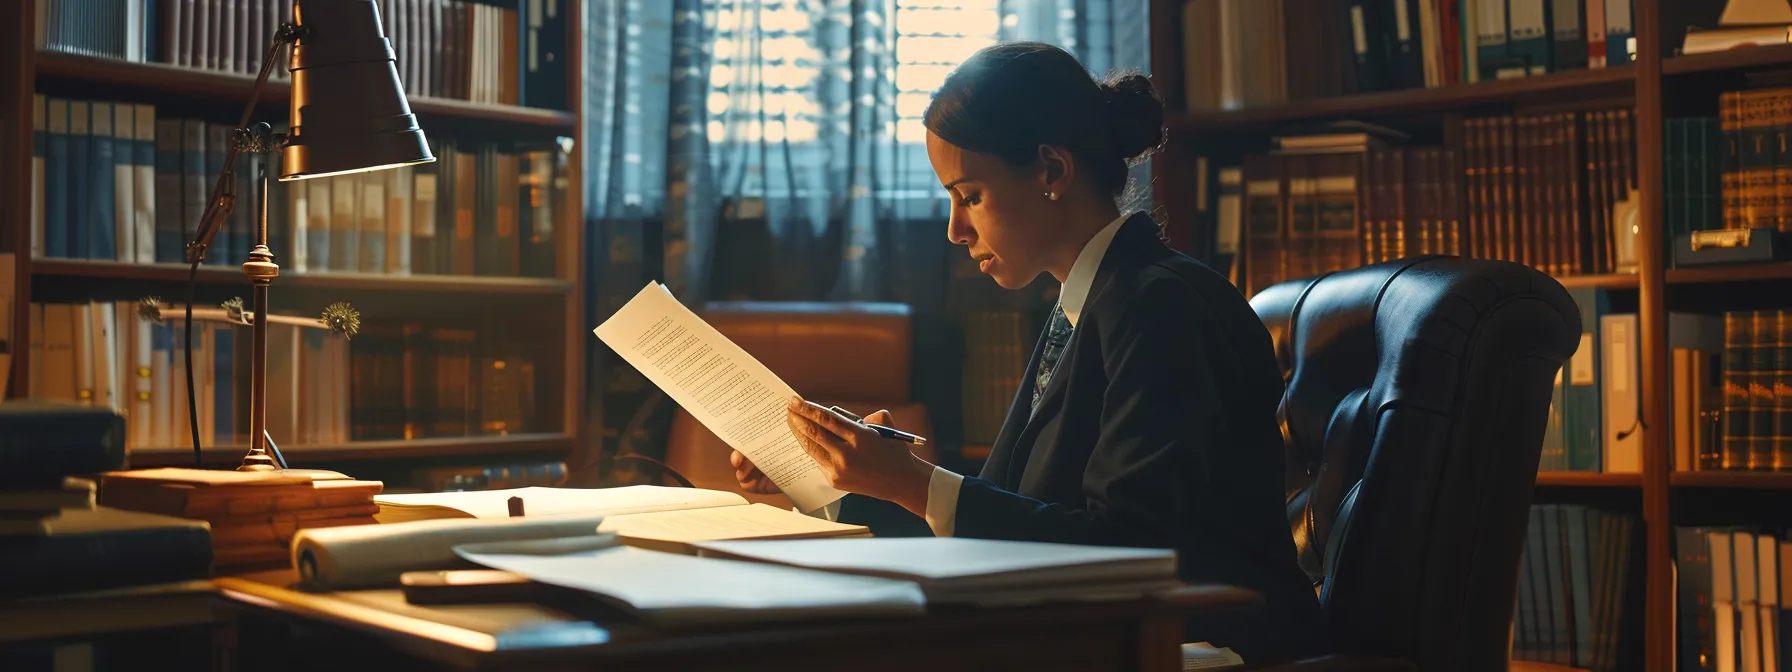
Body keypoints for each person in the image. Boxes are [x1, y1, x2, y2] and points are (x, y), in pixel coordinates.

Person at [728, 41, 1326, 664]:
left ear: (1051, 172)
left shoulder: (1162, 305)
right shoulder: (1088, 303)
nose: (955, 230)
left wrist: (914, 481)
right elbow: (998, 529)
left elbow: (1133, 552)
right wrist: (833, 475)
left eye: (970, 195)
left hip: (1204, 650)